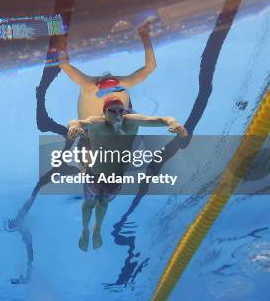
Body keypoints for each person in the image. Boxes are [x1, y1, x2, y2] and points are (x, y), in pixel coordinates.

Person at [67, 97, 187, 251]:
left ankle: (97, 228)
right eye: (112, 111)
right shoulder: (98, 123)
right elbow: (77, 122)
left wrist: (173, 123)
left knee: (103, 203)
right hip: (94, 177)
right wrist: (74, 127)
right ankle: (85, 230)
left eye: (120, 111)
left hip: (116, 179)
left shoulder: (131, 121)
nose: (117, 114)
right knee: (89, 204)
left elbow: (162, 119)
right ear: (104, 112)